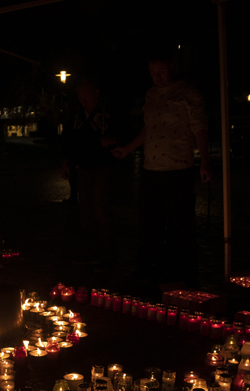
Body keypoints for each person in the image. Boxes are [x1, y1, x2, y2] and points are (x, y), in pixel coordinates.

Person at [113, 49, 212, 284]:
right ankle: (146, 272)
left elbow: (200, 127)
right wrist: (128, 148)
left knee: (180, 225)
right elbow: (149, 128)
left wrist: (205, 162)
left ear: (171, 67)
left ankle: (182, 275)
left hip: (178, 169)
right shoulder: (151, 94)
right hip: (152, 170)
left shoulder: (187, 93)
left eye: (161, 71)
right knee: (149, 224)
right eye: (152, 72)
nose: (157, 77)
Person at [61, 78, 120, 265]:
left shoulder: (108, 113)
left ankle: (107, 254)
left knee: (101, 209)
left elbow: (123, 132)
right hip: (83, 168)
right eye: (80, 97)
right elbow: (68, 138)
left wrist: (113, 139)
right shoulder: (77, 115)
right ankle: (90, 251)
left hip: (103, 166)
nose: (84, 101)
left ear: (96, 93)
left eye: (86, 96)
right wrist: (66, 160)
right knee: (85, 210)